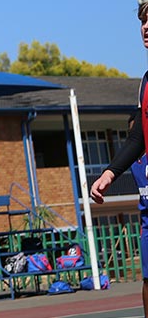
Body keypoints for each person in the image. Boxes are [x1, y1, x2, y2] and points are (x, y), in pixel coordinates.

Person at [91, 26, 148, 318]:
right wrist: (110, 173)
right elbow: (138, 136)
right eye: (144, 21)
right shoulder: (146, 81)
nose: (147, 26)